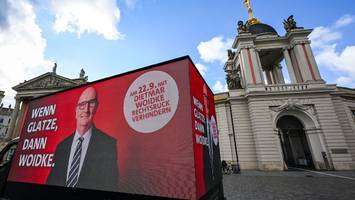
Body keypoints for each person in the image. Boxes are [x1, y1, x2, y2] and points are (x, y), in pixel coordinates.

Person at [46, 87, 118, 191]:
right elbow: (51, 182)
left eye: (91, 103)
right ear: (75, 111)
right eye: (82, 105)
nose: (86, 109)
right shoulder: (62, 146)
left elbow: (110, 186)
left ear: (96, 108)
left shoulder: (108, 144)